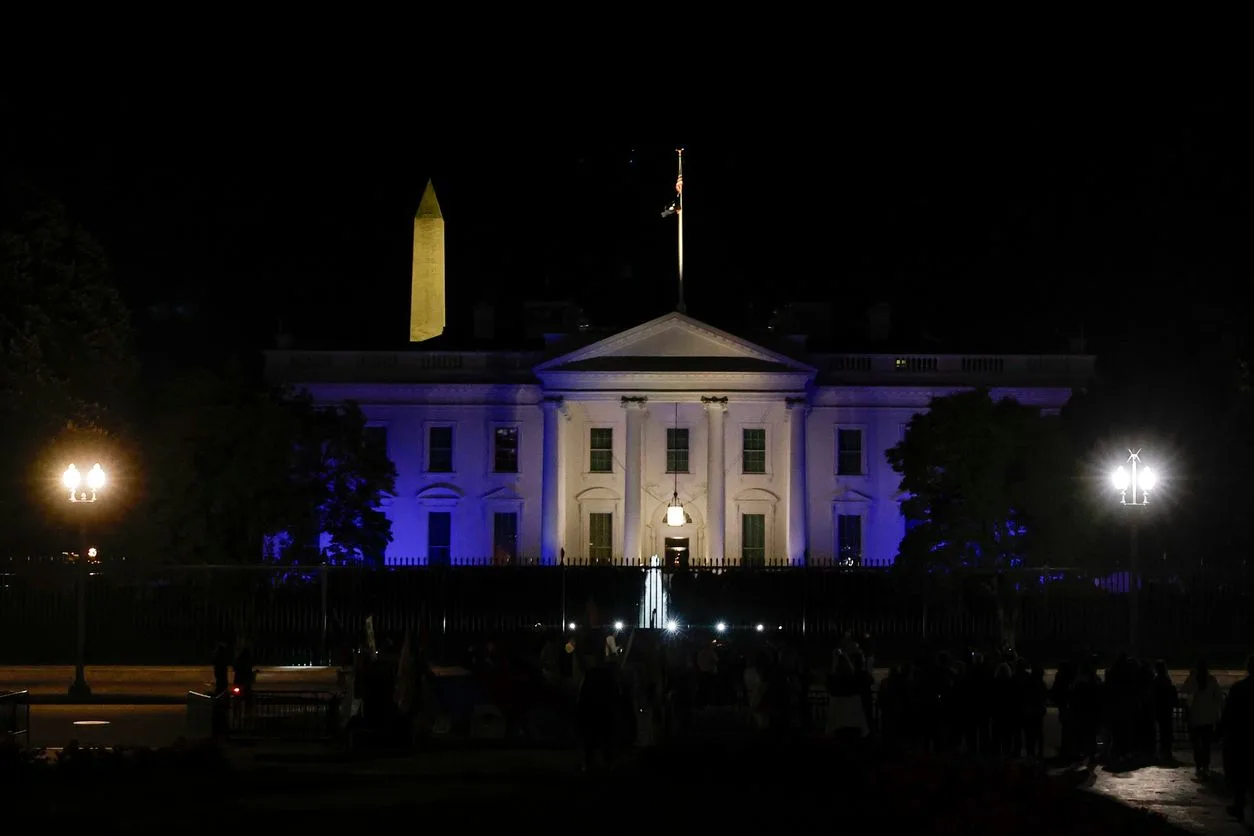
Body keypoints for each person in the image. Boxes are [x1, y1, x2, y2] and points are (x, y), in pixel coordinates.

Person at [1219, 654, 1254, 822]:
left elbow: (1229, 713)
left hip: (1241, 737)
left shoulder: (1239, 688)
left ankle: (1239, 805)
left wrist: (1220, 731)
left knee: (1240, 774)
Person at [1181, 659, 1225, 778]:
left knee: (1196, 743)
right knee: (1206, 743)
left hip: (1195, 717)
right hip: (1208, 718)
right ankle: (1205, 764)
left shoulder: (1193, 680)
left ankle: (1198, 764)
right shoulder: (1211, 680)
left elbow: (1183, 692)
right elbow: (1219, 698)